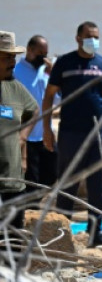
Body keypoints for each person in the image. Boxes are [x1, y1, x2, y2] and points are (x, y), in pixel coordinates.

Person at [43, 21, 102, 246]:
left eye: (96, 37)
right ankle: (62, 231)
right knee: (68, 183)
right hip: (70, 133)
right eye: (88, 37)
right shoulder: (64, 63)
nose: (93, 41)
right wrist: (47, 129)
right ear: (77, 38)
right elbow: (49, 96)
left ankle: (95, 233)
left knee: (98, 185)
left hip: (98, 134)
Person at [0, 31, 39, 229]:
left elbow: (34, 110)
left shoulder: (15, 88)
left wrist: (23, 137)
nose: (13, 62)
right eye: (7, 57)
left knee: (13, 239)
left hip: (12, 181)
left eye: (14, 57)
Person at [14, 35, 56, 189]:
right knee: (32, 180)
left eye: (46, 54)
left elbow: (58, 99)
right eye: (40, 54)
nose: (43, 58)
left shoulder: (45, 71)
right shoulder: (16, 72)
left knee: (52, 175)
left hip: (45, 133)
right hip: (28, 137)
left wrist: (54, 75)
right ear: (30, 50)